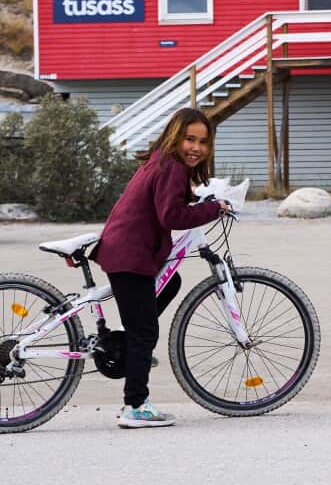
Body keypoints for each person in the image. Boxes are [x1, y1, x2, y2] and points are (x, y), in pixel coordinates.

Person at [96, 107, 229, 428]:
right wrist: (214, 209)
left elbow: (169, 203)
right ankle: (135, 406)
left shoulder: (162, 162)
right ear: (175, 137)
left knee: (170, 282)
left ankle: (129, 348)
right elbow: (172, 216)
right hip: (131, 256)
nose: (196, 147)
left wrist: (199, 199)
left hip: (126, 250)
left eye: (203, 142)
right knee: (145, 332)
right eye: (189, 139)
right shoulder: (172, 168)